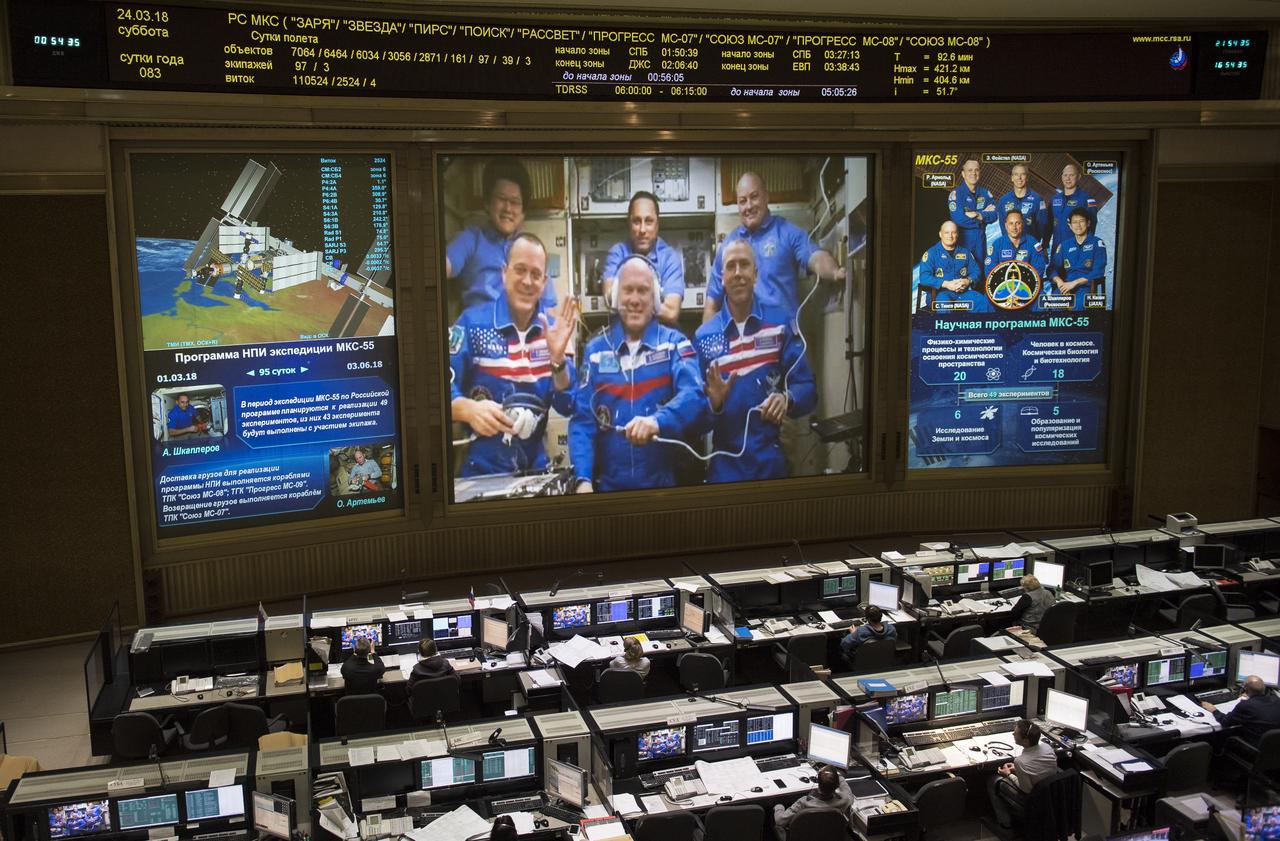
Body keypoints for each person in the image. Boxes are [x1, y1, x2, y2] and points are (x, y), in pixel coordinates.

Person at [570, 256, 704, 493]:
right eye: (627, 290)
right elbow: (582, 422)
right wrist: (583, 479)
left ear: (656, 299)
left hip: (664, 491)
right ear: (615, 297)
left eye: (643, 291)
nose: (634, 300)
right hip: (607, 492)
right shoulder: (595, 352)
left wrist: (656, 422)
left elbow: (694, 395)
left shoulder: (674, 345)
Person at [449, 233, 578, 477]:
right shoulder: (472, 323)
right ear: (504, 273)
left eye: (536, 274)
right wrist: (467, 409)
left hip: (535, 470)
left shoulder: (553, 332)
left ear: (544, 282)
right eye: (520, 270)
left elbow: (569, 405)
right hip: (480, 471)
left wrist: (558, 361)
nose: (527, 281)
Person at [694, 240, 817, 482]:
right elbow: (693, 420)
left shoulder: (780, 324)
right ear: (721, 278)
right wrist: (714, 404)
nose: (738, 273)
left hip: (772, 464)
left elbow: (809, 389)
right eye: (731, 266)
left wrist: (787, 399)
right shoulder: (704, 337)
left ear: (756, 274)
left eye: (744, 265)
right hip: (724, 468)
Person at [703, 171, 840, 322]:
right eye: (742, 201)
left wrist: (835, 272)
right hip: (744, 342)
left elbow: (816, 258)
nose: (748, 206)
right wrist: (709, 342)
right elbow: (712, 304)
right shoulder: (728, 246)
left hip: (785, 341)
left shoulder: (787, 232)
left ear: (766, 197)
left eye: (754, 197)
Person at [446, 158, 556, 312]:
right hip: (480, 331)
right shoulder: (470, 240)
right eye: (501, 199)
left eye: (515, 202)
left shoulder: (532, 250)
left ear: (523, 212)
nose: (508, 208)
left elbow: (548, 309)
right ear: (487, 203)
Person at [602, 191, 685, 325]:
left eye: (649, 221)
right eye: (636, 221)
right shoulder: (617, 254)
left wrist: (626, 299)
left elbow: (671, 312)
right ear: (629, 225)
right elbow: (611, 299)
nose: (642, 229)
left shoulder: (669, 258)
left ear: (657, 225)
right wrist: (654, 301)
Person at [987, 719, 1060, 830]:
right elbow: (1038, 769)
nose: (1013, 734)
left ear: (1026, 741)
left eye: (1015, 733)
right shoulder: (1047, 747)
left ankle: (1005, 825)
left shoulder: (1021, 761)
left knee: (993, 781)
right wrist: (1018, 770)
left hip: (1033, 801)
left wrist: (1008, 774)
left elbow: (1026, 789)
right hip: (1050, 794)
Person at [917, 221, 987, 313]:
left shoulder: (965, 253)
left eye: (953, 232)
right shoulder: (931, 253)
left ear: (957, 234)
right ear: (940, 234)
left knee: (981, 302)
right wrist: (946, 284)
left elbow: (976, 271)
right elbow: (924, 278)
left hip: (962, 293)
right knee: (945, 306)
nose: (950, 236)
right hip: (939, 295)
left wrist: (968, 280)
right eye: (946, 232)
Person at [985, 209, 1048, 310]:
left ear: (1022, 224)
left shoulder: (1032, 242)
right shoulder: (997, 244)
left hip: (1028, 286)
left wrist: (1022, 284)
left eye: (1017, 223)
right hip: (1004, 287)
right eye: (1011, 224)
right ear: (1006, 226)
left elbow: (1039, 268)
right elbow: (989, 271)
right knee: (986, 301)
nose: (1014, 227)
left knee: (1042, 300)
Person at [1048, 207, 1107, 309]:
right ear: (1070, 226)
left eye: (1081, 221)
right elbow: (1052, 268)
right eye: (1074, 222)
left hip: (1086, 287)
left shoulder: (1097, 243)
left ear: (1088, 223)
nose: (1078, 225)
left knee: (1078, 306)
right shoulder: (1065, 245)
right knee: (1053, 303)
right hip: (1066, 286)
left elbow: (1098, 271)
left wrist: (1074, 283)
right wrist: (1060, 282)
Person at [772, 764, 852, 831]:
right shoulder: (845, 800)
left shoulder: (804, 803)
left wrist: (779, 806)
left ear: (818, 784)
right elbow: (846, 788)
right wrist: (837, 776)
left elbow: (780, 821)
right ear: (837, 785)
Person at [1202, 674, 1280, 742]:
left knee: (1219, 736)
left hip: (1253, 747)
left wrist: (1214, 710)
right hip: (1273, 748)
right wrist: (1251, 697)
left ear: (1245, 690)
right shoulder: (1277, 700)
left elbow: (1225, 722)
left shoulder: (1246, 705)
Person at [948, 157, 998, 258]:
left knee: (980, 271)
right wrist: (983, 216)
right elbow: (959, 219)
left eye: (976, 170)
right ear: (963, 174)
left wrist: (977, 214)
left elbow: (994, 215)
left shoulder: (985, 194)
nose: (973, 173)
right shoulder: (956, 194)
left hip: (981, 241)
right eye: (970, 170)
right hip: (963, 241)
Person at [1048, 163, 1097, 256]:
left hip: (1076, 251)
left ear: (1078, 177)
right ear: (1062, 177)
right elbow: (1049, 225)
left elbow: (1092, 224)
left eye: (1071, 175)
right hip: (1057, 250)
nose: (1068, 178)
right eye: (1065, 175)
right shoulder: (1054, 199)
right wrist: (1045, 245)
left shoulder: (1086, 199)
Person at [995, 163, 1050, 244]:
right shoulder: (1003, 200)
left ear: (1027, 178)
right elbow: (1003, 225)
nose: (1019, 178)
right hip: (1011, 245)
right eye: (1016, 174)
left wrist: (1039, 244)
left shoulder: (1037, 199)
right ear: (1012, 178)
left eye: (1023, 174)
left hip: (1031, 245)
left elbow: (1043, 225)